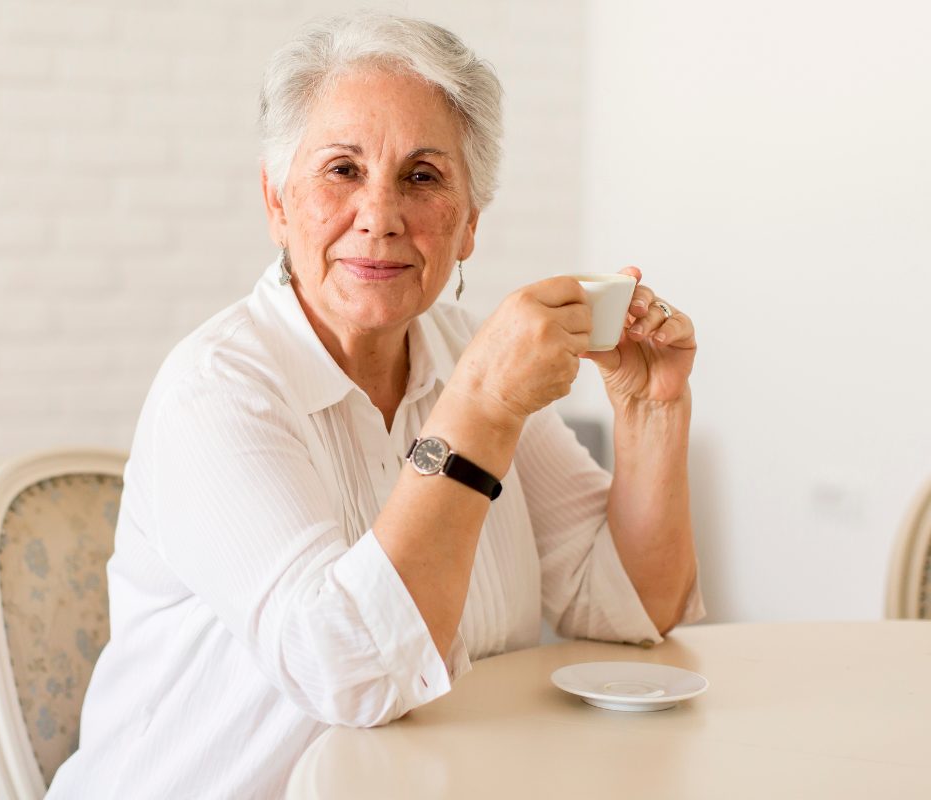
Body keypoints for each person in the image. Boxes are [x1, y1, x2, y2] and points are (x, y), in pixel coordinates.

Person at [47, 12, 703, 799]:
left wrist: (650, 411)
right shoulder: (215, 391)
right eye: (342, 170)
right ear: (277, 202)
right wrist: (485, 408)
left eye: (423, 177)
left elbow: (631, 605)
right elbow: (350, 674)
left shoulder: (468, 352)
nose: (380, 215)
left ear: (468, 226)